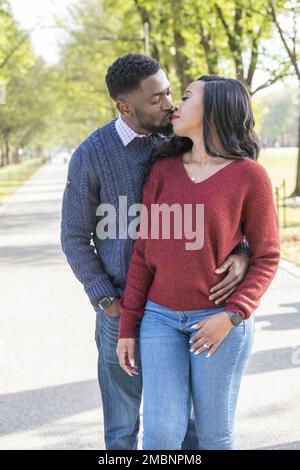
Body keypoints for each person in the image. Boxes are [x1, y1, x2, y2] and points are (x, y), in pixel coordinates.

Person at [61, 55, 250, 450]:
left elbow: (231, 202)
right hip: (119, 307)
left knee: (192, 426)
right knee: (122, 426)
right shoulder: (90, 156)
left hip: (183, 304)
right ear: (124, 106)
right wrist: (106, 299)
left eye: (169, 92)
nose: (168, 104)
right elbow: (75, 237)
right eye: (156, 99)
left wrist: (243, 251)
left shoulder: (179, 139)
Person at [117, 75, 280, 450]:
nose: (176, 104)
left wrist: (232, 315)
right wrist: (129, 325)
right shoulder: (163, 170)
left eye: (187, 97)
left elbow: (268, 256)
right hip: (160, 320)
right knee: (159, 436)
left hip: (219, 322)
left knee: (213, 436)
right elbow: (143, 252)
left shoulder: (250, 177)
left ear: (214, 110)